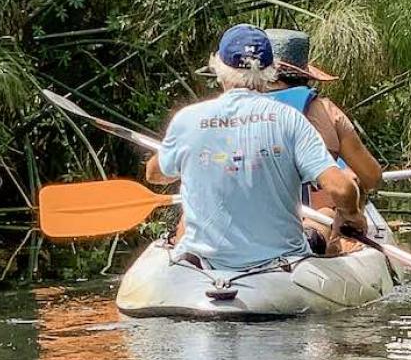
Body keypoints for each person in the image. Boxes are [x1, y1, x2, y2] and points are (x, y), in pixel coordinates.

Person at [143, 24, 363, 269]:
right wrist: (352, 215)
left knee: (185, 222)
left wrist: (173, 151)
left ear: (218, 67)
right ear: (270, 70)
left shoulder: (187, 119)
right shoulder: (290, 119)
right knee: (324, 219)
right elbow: (342, 189)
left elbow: (154, 174)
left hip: (204, 266)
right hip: (281, 263)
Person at [264, 28, 383, 253]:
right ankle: (323, 240)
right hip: (311, 220)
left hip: (245, 225)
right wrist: (352, 208)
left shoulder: (228, 114)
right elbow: (371, 176)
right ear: (303, 74)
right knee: (329, 210)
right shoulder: (326, 111)